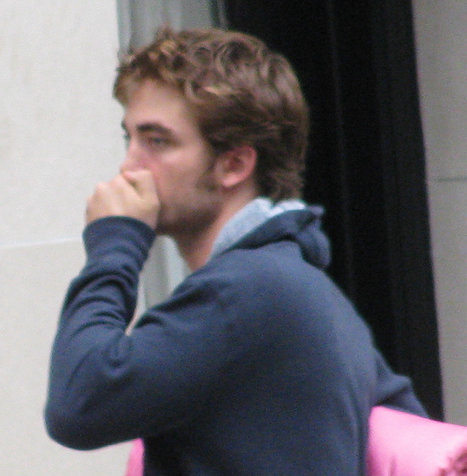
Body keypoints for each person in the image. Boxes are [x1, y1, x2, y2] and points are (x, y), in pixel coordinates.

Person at [45, 27, 425, 475]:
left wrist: (115, 242)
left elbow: (79, 401)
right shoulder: (304, 290)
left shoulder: (247, 291)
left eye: (157, 141)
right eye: (129, 138)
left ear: (235, 164)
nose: (129, 166)